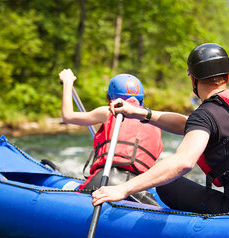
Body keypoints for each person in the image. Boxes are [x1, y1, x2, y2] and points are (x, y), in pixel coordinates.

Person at [92, 43, 229, 214]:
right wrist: (142, 113)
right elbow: (190, 125)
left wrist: (123, 189)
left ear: (193, 79)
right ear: (227, 77)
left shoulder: (206, 115)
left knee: (167, 184)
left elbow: (183, 162)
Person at [59, 69, 164, 205]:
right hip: (138, 188)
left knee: (70, 188)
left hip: (104, 179)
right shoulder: (156, 120)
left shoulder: (108, 111)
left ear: (111, 98)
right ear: (141, 99)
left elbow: (67, 116)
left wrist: (68, 82)